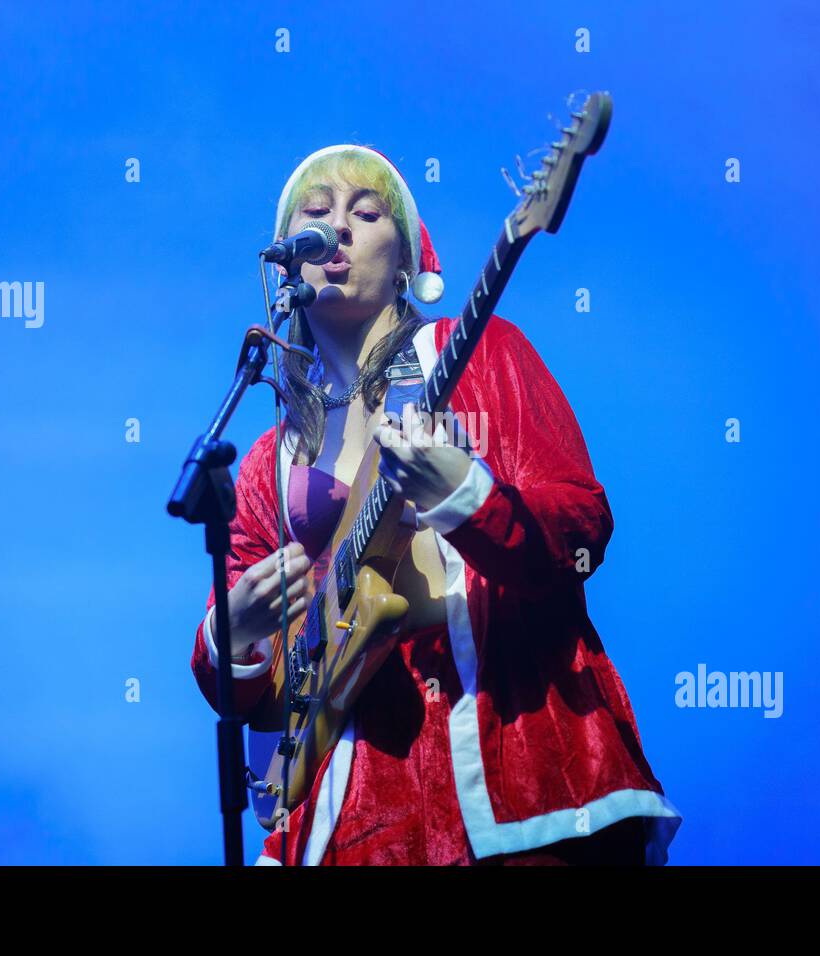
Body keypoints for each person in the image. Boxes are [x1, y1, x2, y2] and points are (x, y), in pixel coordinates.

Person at [190, 144, 682, 865]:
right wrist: (231, 637)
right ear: (288, 263)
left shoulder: (480, 353)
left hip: (517, 780)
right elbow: (252, 700)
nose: (338, 229)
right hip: (347, 827)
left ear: (406, 261)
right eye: (316, 214)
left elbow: (581, 526)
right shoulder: (268, 461)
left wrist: (467, 495)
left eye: (365, 211)